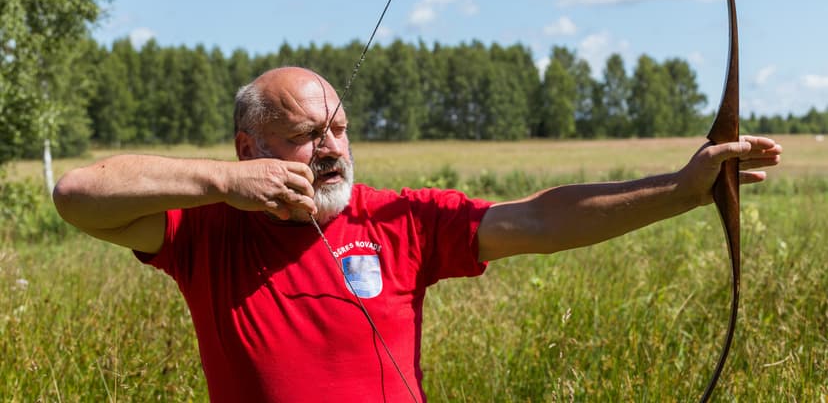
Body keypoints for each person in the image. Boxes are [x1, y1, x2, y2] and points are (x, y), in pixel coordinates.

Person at [53, 66, 782, 402]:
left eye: (339, 127)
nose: (332, 147)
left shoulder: (400, 219)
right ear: (250, 149)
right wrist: (220, 186)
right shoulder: (208, 232)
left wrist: (682, 190)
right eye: (307, 135)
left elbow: (542, 216)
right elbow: (77, 195)